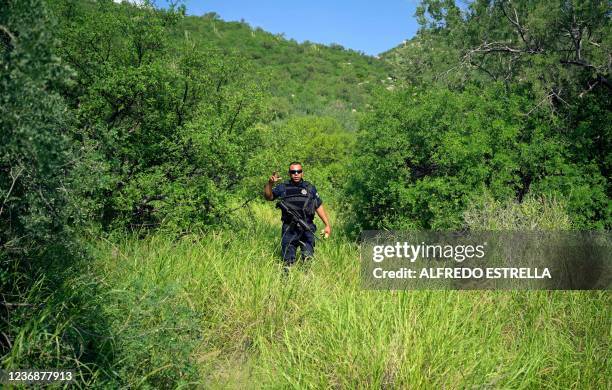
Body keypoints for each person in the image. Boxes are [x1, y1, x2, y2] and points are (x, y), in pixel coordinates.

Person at [264, 162, 331, 267]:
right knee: (287, 262)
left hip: (307, 227)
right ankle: (287, 281)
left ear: (302, 173)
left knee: (308, 259)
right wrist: (270, 183)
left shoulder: (310, 188)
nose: (296, 174)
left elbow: (318, 206)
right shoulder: (283, 187)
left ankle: (307, 280)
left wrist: (327, 225)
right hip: (289, 228)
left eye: (298, 171)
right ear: (289, 173)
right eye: (293, 172)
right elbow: (268, 197)